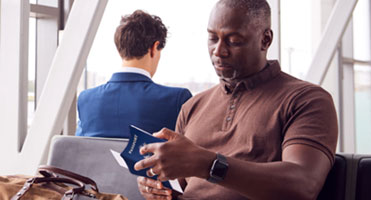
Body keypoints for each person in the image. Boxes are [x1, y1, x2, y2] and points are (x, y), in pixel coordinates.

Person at [135, 0, 338, 199]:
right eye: (213, 38)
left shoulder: (306, 100)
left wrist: (208, 164)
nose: (218, 51)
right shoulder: (193, 106)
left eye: (234, 40)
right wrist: (157, 187)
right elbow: (179, 186)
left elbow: (303, 185)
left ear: (265, 40)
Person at [75, 10, 192, 138]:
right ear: (154, 48)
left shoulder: (86, 99)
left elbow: (81, 150)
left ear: (120, 49)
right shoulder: (177, 100)